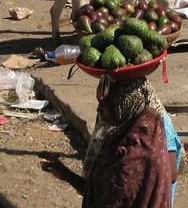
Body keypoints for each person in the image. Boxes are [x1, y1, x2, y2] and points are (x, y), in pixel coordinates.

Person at [40, 75, 179, 207]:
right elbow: (101, 191)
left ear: (123, 106)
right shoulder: (135, 131)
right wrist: (66, 174)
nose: (98, 109)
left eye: (105, 105)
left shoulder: (129, 159)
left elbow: (106, 198)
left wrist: (68, 176)